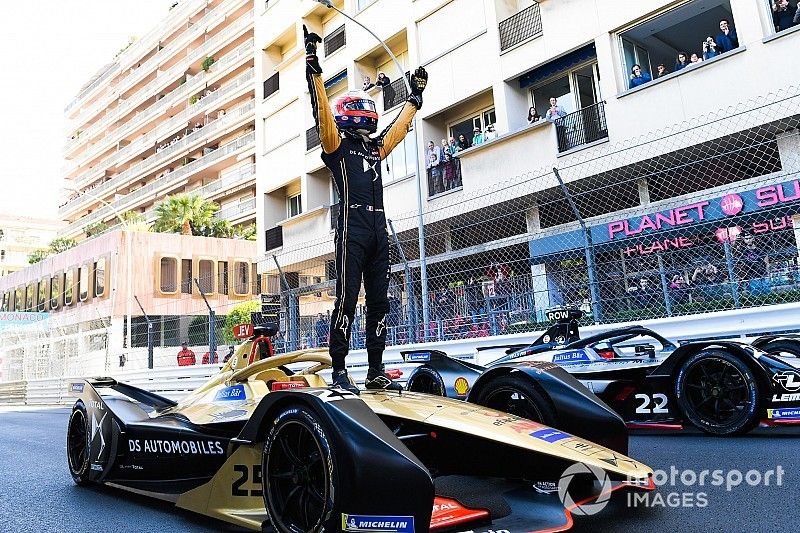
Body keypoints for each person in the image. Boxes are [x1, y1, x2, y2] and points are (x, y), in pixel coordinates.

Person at [304, 25, 426, 393]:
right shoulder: (335, 145)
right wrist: (313, 65)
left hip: (378, 232)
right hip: (351, 230)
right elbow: (321, 111)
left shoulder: (375, 148)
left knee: (380, 303)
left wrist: (415, 97)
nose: (366, 114)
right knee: (346, 298)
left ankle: (375, 369)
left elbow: (399, 130)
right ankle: (339, 370)